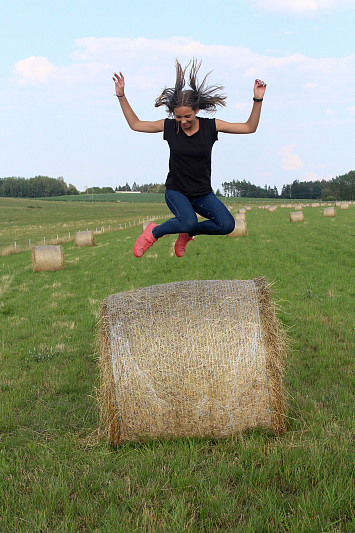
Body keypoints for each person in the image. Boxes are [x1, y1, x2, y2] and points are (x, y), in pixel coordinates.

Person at [112, 59, 266, 258]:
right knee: (187, 219)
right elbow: (135, 124)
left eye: (187, 117)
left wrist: (257, 100)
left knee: (227, 224)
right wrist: (121, 96)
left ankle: (187, 234)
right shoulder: (169, 127)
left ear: (197, 111)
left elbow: (249, 127)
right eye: (178, 117)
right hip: (177, 191)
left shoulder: (211, 126)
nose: (183, 121)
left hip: (202, 193)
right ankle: (153, 231)